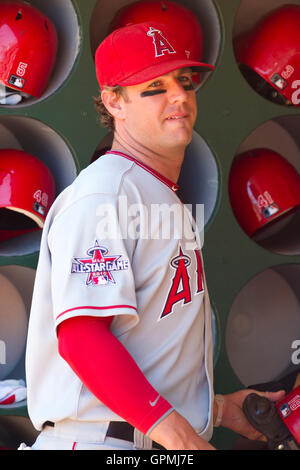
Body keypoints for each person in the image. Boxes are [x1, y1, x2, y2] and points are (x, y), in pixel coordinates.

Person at [22, 21, 284, 451]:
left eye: (184, 81)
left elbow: (147, 345)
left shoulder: (149, 190)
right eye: (156, 86)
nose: (180, 95)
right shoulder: (107, 192)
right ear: (114, 102)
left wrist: (215, 411)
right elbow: (83, 338)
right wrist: (184, 441)